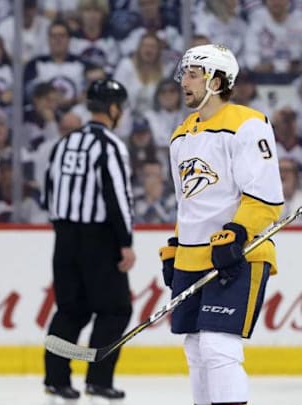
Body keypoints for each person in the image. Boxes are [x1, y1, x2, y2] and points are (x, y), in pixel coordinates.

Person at [160, 44, 284, 405]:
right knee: (196, 348)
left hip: (239, 254)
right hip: (193, 257)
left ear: (216, 81)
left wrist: (238, 232)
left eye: (193, 74)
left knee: (217, 345)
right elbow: (189, 202)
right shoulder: (181, 134)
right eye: (184, 73)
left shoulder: (247, 123)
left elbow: (266, 197)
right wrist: (176, 246)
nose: (184, 81)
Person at [42, 78, 136, 402]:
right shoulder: (110, 145)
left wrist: (62, 229)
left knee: (70, 310)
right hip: (99, 239)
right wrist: (126, 241)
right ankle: (98, 379)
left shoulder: (64, 143)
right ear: (113, 108)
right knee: (115, 310)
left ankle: (56, 379)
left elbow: (48, 191)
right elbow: (118, 196)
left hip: (64, 236)